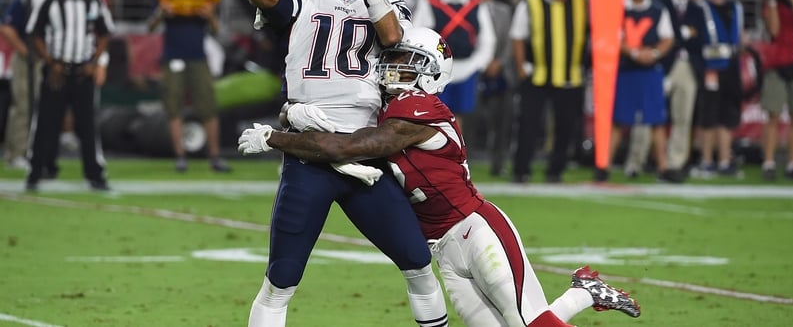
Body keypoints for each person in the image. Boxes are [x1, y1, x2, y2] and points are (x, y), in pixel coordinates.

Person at [238, 28, 641, 327]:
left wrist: (276, 138)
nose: (394, 68)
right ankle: (582, 291)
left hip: (475, 229)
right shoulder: (384, 109)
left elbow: (343, 147)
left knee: (533, 326)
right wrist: (292, 113)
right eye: (393, 59)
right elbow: (340, 131)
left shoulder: (421, 109)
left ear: (431, 73)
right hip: (443, 247)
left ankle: (582, 292)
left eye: (408, 62)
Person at [229, 0, 449, 327]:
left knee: (418, 263)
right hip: (310, 155)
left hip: (365, 152)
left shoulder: (383, 2)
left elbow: (392, 38)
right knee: (281, 281)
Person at [25, 0, 112, 192]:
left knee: (87, 126)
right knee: (45, 123)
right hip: (57, 71)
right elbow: (35, 33)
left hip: (83, 71)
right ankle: (36, 170)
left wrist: (94, 62)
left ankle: (95, 174)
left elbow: (105, 33)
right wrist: (50, 61)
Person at [625, 0, 706, 182]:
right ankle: (635, 161)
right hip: (661, 64)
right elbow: (661, 36)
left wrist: (684, 35)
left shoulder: (697, 8)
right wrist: (684, 33)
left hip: (687, 67)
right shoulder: (659, 3)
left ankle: (674, 163)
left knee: (683, 117)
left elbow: (701, 38)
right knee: (648, 115)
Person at [510, 0, 588, 183]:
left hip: (569, 75)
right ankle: (521, 169)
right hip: (538, 74)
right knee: (529, 124)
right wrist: (521, 67)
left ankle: (556, 170)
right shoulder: (532, 2)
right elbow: (518, 36)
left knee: (565, 126)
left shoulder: (582, 2)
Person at [595, 0, 673, 183]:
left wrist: (654, 53)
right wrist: (635, 52)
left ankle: (663, 167)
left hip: (650, 70)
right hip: (626, 70)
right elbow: (611, 34)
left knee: (656, 120)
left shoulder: (657, 9)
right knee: (618, 120)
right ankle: (604, 166)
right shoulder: (619, 7)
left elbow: (668, 38)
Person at [147, 0, 231, 173]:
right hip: (173, 58)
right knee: (174, 107)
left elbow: (217, 32)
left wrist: (210, 16)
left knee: (208, 106)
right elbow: (151, 27)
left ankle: (215, 157)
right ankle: (180, 156)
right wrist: (161, 13)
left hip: (198, 58)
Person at [414, 0, 496, 131]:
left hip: (467, 66)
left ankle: (455, 153)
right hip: (438, 70)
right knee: (435, 114)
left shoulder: (476, 3)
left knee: (459, 115)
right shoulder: (429, 1)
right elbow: (419, 35)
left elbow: (487, 39)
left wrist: (478, 64)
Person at [690, 0, 744, 179]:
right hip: (710, 67)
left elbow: (740, 37)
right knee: (708, 115)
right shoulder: (700, 8)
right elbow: (694, 39)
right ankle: (706, 161)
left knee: (727, 116)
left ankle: (724, 161)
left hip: (731, 66)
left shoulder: (735, 8)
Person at [0, 0, 50, 171]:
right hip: (28, 58)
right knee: (23, 104)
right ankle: (16, 152)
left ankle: (24, 150)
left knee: (36, 105)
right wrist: (24, 50)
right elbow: (6, 27)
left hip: (48, 56)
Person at [471, 0, 514, 176]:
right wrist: (481, 63)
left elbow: (509, 41)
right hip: (473, 72)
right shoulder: (466, 9)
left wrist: (500, 62)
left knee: (502, 122)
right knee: (469, 121)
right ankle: (465, 164)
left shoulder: (504, 11)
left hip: (500, 73)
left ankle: (499, 164)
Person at [760, 0, 793, 181]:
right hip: (777, 63)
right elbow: (774, 30)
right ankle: (769, 162)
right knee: (773, 115)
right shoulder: (772, 3)